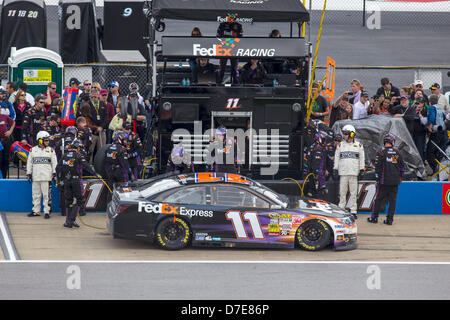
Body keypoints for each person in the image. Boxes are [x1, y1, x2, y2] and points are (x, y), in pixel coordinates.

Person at [58, 139, 98, 228]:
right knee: (80, 200)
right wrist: (95, 173)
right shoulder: (78, 155)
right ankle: (71, 220)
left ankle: (68, 221)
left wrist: (59, 179)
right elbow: (86, 166)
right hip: (76, 181)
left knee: (69, 201)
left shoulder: (64, 156)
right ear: (78, 147)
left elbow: (58, 168)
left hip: (66, 181)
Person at [368, 135, 405, 225]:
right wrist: (400, 178)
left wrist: (378, 179)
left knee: (378, 199)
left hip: (384, 182)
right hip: (395, 182)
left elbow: (378, 168)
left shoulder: (381, 153)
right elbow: (402, 168)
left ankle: (374, 218)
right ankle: (389, 220)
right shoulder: (398, 153)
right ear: (392, 142)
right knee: (393, 201)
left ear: (385, 142)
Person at [333, 124, 365, 218]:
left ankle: (353, 211)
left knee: (354, 193)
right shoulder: (340, 145)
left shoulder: (358, 145)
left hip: (354, 172)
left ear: (351, 134)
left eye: (346, 134)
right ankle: (341, 209)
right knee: (342, 193)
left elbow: (362, 158)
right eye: (344, 134)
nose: (344, 136)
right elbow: (337, 157)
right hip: (343, 173)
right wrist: (335, 169)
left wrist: (361, 169)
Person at [26, 131, 57, 219]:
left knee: (46, 195)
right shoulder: (33, 150)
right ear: (40, 141)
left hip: (46, 177)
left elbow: (54, 163)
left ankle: (46, 211)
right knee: (35, 194)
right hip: (36, 176)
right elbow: (29, 162)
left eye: (48, 140)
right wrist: (28, 173)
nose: (48, 142)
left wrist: (54, 173)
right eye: (46, 140)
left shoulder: (50, 150)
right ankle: (36, 211)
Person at [216, 18, 243, 84]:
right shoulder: (222, 25)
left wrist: (229, 41)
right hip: (223, 49)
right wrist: (227, 41)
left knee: (234, 68)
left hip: (234, 49)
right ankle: (219, 83)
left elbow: (240, 38)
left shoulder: (238, 26)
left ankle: (236, 84)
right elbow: (218, 37)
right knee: (222, 68)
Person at [426, 94, 447, 175]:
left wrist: (430, 128)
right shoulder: (439, 107)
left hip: (435, 132)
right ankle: (439, 169)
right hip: (442, 132)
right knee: (438, 151)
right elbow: (444, 118)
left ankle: (436, 169)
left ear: (430, 101)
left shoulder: (432, 107)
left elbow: (431, 118)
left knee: (429, 152)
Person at [304, 131, 329, 198]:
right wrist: (323, 186)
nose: (324, 141)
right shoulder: (317, 148)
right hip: (315, 178)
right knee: (315, 195)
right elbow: (318, 169)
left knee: (311, 193)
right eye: (323, 139)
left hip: (311, 176)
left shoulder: (314, 146)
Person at [86, 88, 108, 162]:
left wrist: (101, 127)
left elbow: (106, 117)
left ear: (98, 96)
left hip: (101, 131)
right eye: (91, 97)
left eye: (95, 97)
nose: (93, 99)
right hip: (93, 132)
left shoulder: (102, 104)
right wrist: (94, 127)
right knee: (91, 150)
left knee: (101, 150)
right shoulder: (88, 105)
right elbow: (87, 118)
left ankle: (100, 165)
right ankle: (90, 165)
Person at [411, 97, 428, 162]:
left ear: (424, 104)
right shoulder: (413, 110)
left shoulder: (425, 111)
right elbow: (407, 114)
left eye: (421, 103)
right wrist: (413, 106)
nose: (419, 104)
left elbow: (425, 122)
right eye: (418, 102)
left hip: (421, 133)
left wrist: (420, 114)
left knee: (420, 149)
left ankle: (421, 164)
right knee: (413, 149)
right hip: (413, 132)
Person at [0, 113, 15, 178]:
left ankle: (4, 177)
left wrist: (10, 131)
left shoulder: (4, 116)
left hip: (5, 140)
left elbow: (13, 122)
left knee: (6, 160)